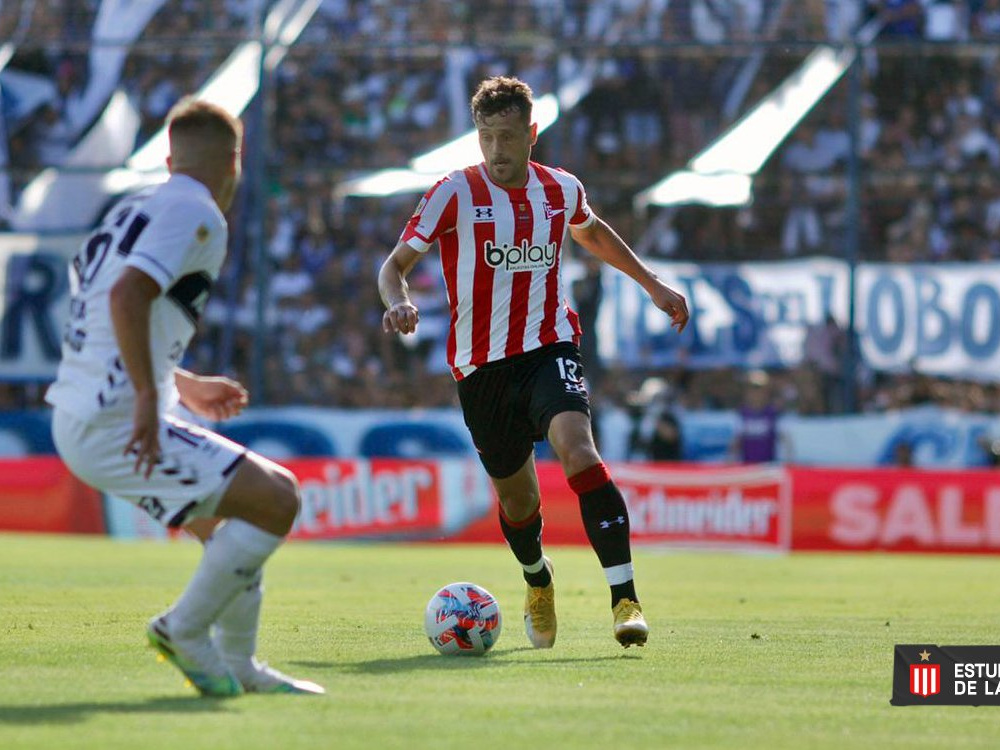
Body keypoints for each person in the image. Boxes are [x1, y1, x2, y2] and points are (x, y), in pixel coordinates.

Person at [378, 76, 689, 649]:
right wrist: (398, 302)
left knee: (579, 450)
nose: (496, 150)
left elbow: (592, 233)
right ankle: (537, 578)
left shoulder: (560, 189)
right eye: (485, 137)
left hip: (549, 347)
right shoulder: (453, 193)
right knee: (519, 500)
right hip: (480, 369)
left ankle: (625, 599)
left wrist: (652, 284)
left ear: (531, 134)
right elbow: (393, 265)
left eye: (506, 136)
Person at [45, 98, 323, 697]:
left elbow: (104, 310)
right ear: (235, 163)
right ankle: (183, 630)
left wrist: (180, 382)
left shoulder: (132, 208)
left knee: (231, 528)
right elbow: (125, 298)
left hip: (82, 408)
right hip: (115, 416)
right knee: (277, 498)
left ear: (170, 158)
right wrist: (149, 395)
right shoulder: (197, 214)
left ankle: (239, 666)